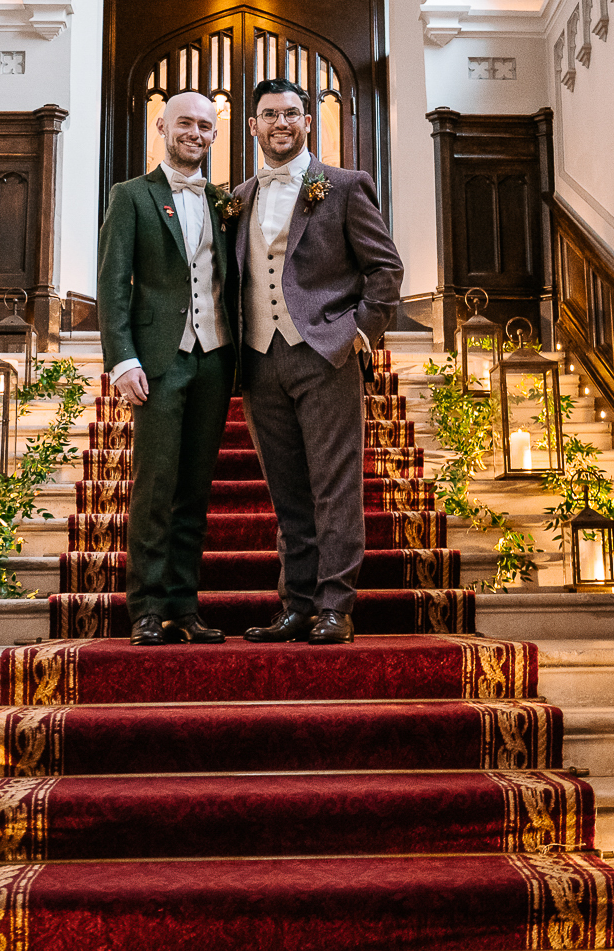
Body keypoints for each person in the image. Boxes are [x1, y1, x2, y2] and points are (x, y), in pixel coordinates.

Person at [232, 78, 403, 645]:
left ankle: (336, 606)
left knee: (335, 485)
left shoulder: (345, 186)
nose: (280, 123)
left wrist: (360, 330)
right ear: (252, 125)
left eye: (290, 113)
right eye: (268, 114)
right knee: (287, 492)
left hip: (325, 354)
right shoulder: (239, 196)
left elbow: (385, 269)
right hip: (259, 359)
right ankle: (295, 605)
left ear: (308, 121)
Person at [96, 91, 241, 646]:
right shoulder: (131, 196)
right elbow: (113, 283)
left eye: (206, 126)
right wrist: (122, 358)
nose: (197, 134)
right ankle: (147, 610)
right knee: (155, 487)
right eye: (186, 123)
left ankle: (185, 606)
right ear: (163, 125)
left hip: (214, 358)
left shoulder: (224, 200)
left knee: (195, 491)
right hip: (158, 360)